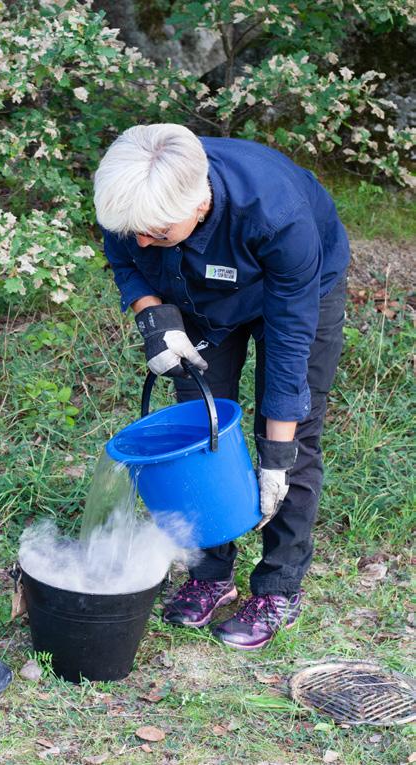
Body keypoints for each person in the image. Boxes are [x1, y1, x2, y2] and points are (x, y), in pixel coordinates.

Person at [93, 124, 349, 650]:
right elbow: (125, 259)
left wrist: (276, 455)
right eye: (133, 230)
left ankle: (279, 585)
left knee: (292, 437)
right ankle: (210, 573)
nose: (141, 241)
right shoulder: (136, 198)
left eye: (156, 233)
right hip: (200, 293)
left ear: (199, 202)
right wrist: (153, 317)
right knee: (197, 428)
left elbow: (288, 353)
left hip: (298, 294)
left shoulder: (277, 216)